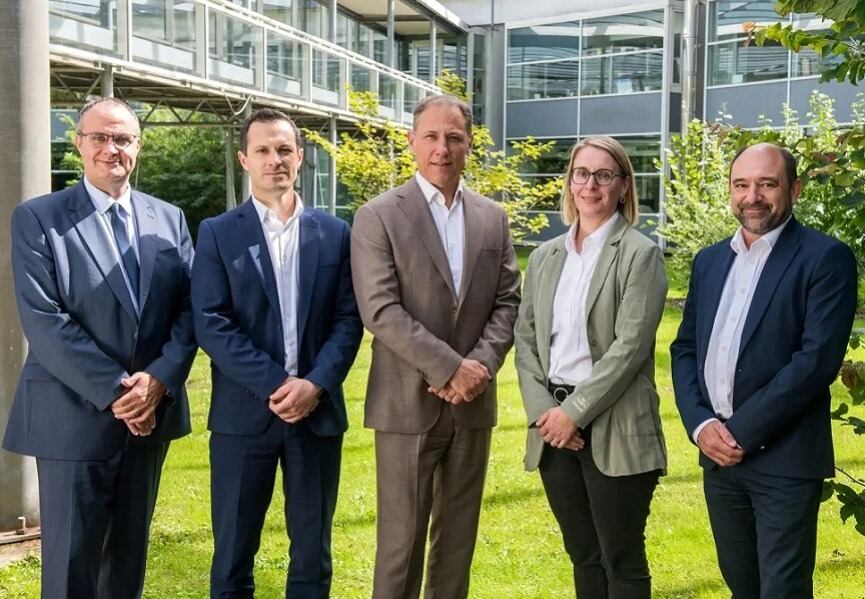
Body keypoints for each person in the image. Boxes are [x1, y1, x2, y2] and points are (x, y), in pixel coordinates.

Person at [2, 96, 196, 598]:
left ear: (139, 146)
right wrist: (119, 393)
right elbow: (45, 321)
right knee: (70, 571)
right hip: (71, 421)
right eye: (101, 138)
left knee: (127, 567)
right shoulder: (39, 218)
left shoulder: (170, 219)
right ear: (80, 144)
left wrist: (158, 381)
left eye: (124, 139)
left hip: (149, 420)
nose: (113, 149)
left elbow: (190, 312)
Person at [351, 94, 521, 599]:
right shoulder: (378, 216)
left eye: (453, 137)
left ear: (470, 144)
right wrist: (451, 368)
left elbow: (509, 300)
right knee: (400, 547)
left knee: (457, 546)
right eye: (431, 136)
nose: (442, 148)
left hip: (473, 406)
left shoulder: (493, 217)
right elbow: (380, 310)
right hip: (406, 406)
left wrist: (481, 366)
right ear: (411, 142)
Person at [671, 142, 858, 598]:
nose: (752, 196)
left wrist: (738, 432)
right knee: (742, 586)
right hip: (718, 457)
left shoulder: (825, 259)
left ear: (793, 190)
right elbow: (685, 349)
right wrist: (700, 426)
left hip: (785, 460)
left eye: (767, 184)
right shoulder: (710, 261)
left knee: (783, 591)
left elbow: (815, 363)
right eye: (742, 184)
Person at [191, 108, 363, 598]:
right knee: (232, 556)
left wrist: (314, 385)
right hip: (243, 418)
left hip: (317, 415)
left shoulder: (335, 233)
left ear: (301, 158)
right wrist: (277, 384)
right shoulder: (219, 233)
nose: (275, 160)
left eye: (284, 149)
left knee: (312, 556)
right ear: (245, 159)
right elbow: (212, 323)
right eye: (263, 150)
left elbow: (349, 321)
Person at [514, 136, 668, 598]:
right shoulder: (544, 258)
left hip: (615, 425)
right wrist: (547, 414)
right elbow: (526, 341)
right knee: (583, 555)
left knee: (620, 558)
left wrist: (573, 414)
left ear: (623, 186)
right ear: (569, 182)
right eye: (581, 173)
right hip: (552, 430)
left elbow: (630, 348)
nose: (590, 184)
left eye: (604, 175)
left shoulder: (640, 254)